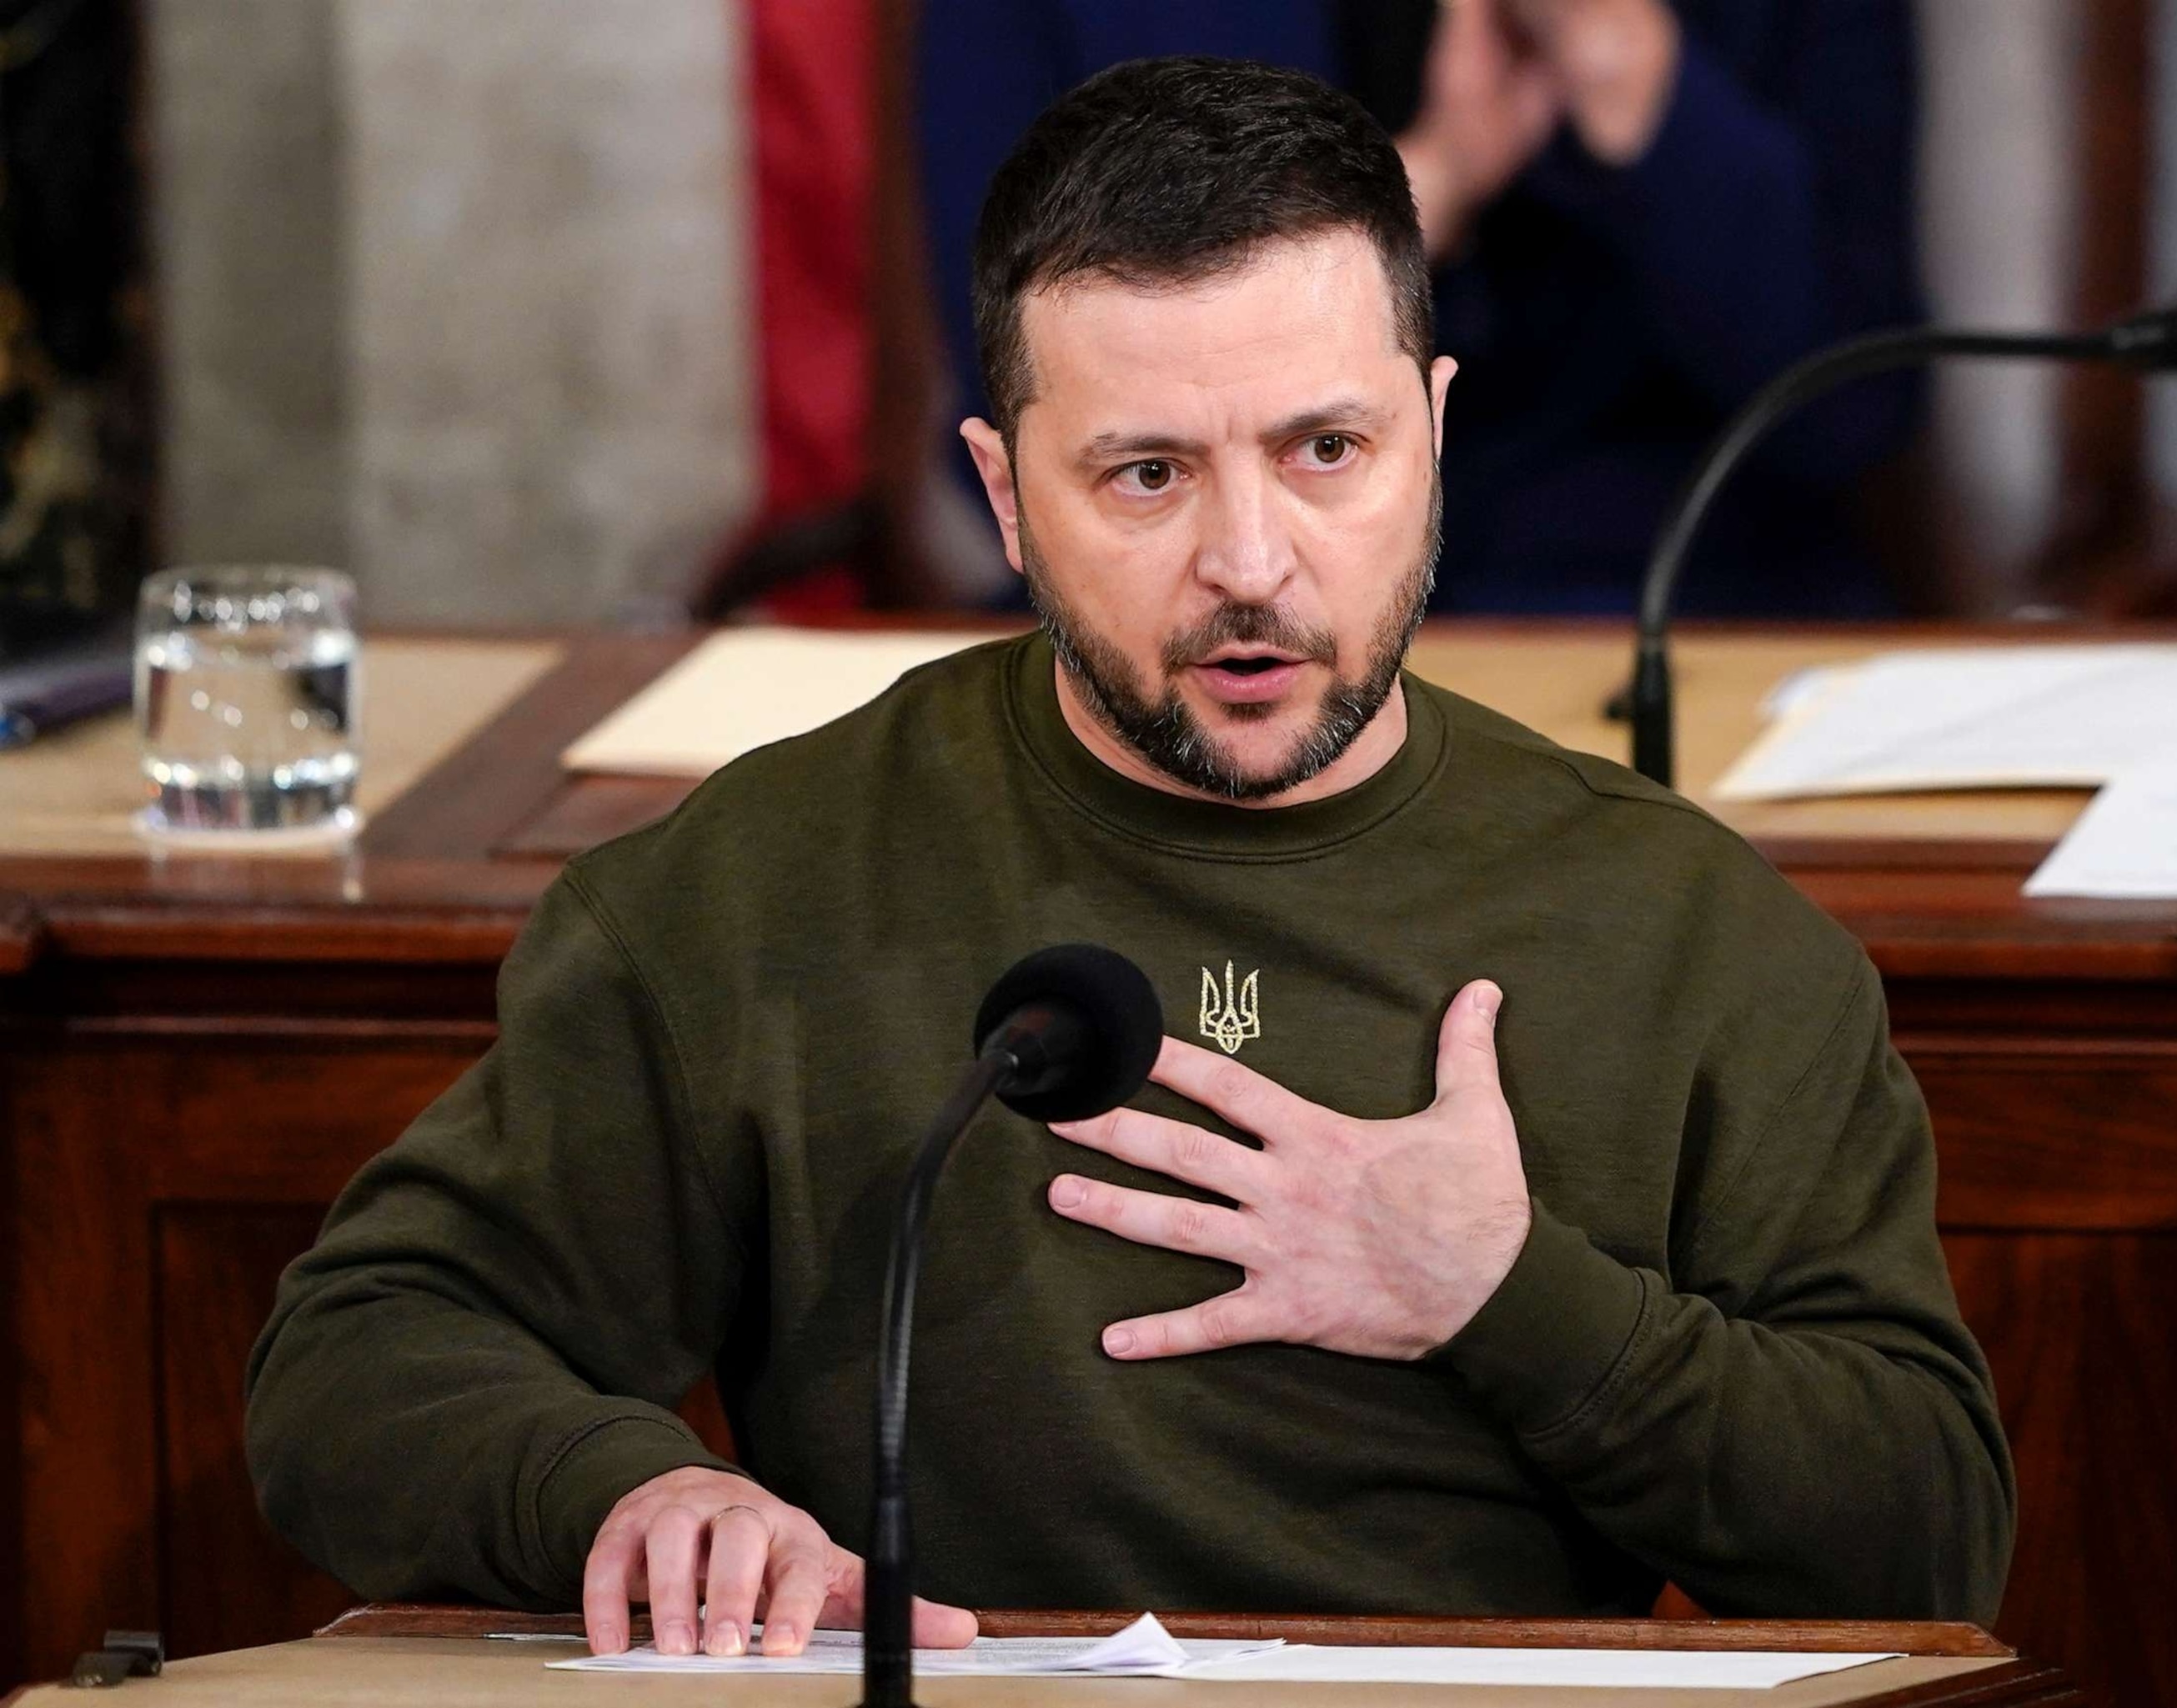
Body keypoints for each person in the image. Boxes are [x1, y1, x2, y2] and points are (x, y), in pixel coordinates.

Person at [246, 58, 2011, 1660]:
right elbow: (359, 1351)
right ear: (1005, 494)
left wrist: (1501, 1289)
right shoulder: (752, 886)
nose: (1253, 560)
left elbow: (1930, 1538)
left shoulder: (1695, 935)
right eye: (1148, 475)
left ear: (1436, 430)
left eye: (1329, 450)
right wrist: (625, 1490)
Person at [919, 0, 1922, 616]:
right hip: (1206, 616)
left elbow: (1851, 412)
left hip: (1670, 608)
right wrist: (1428, 186)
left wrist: (1633, 79)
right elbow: (1021, 408)